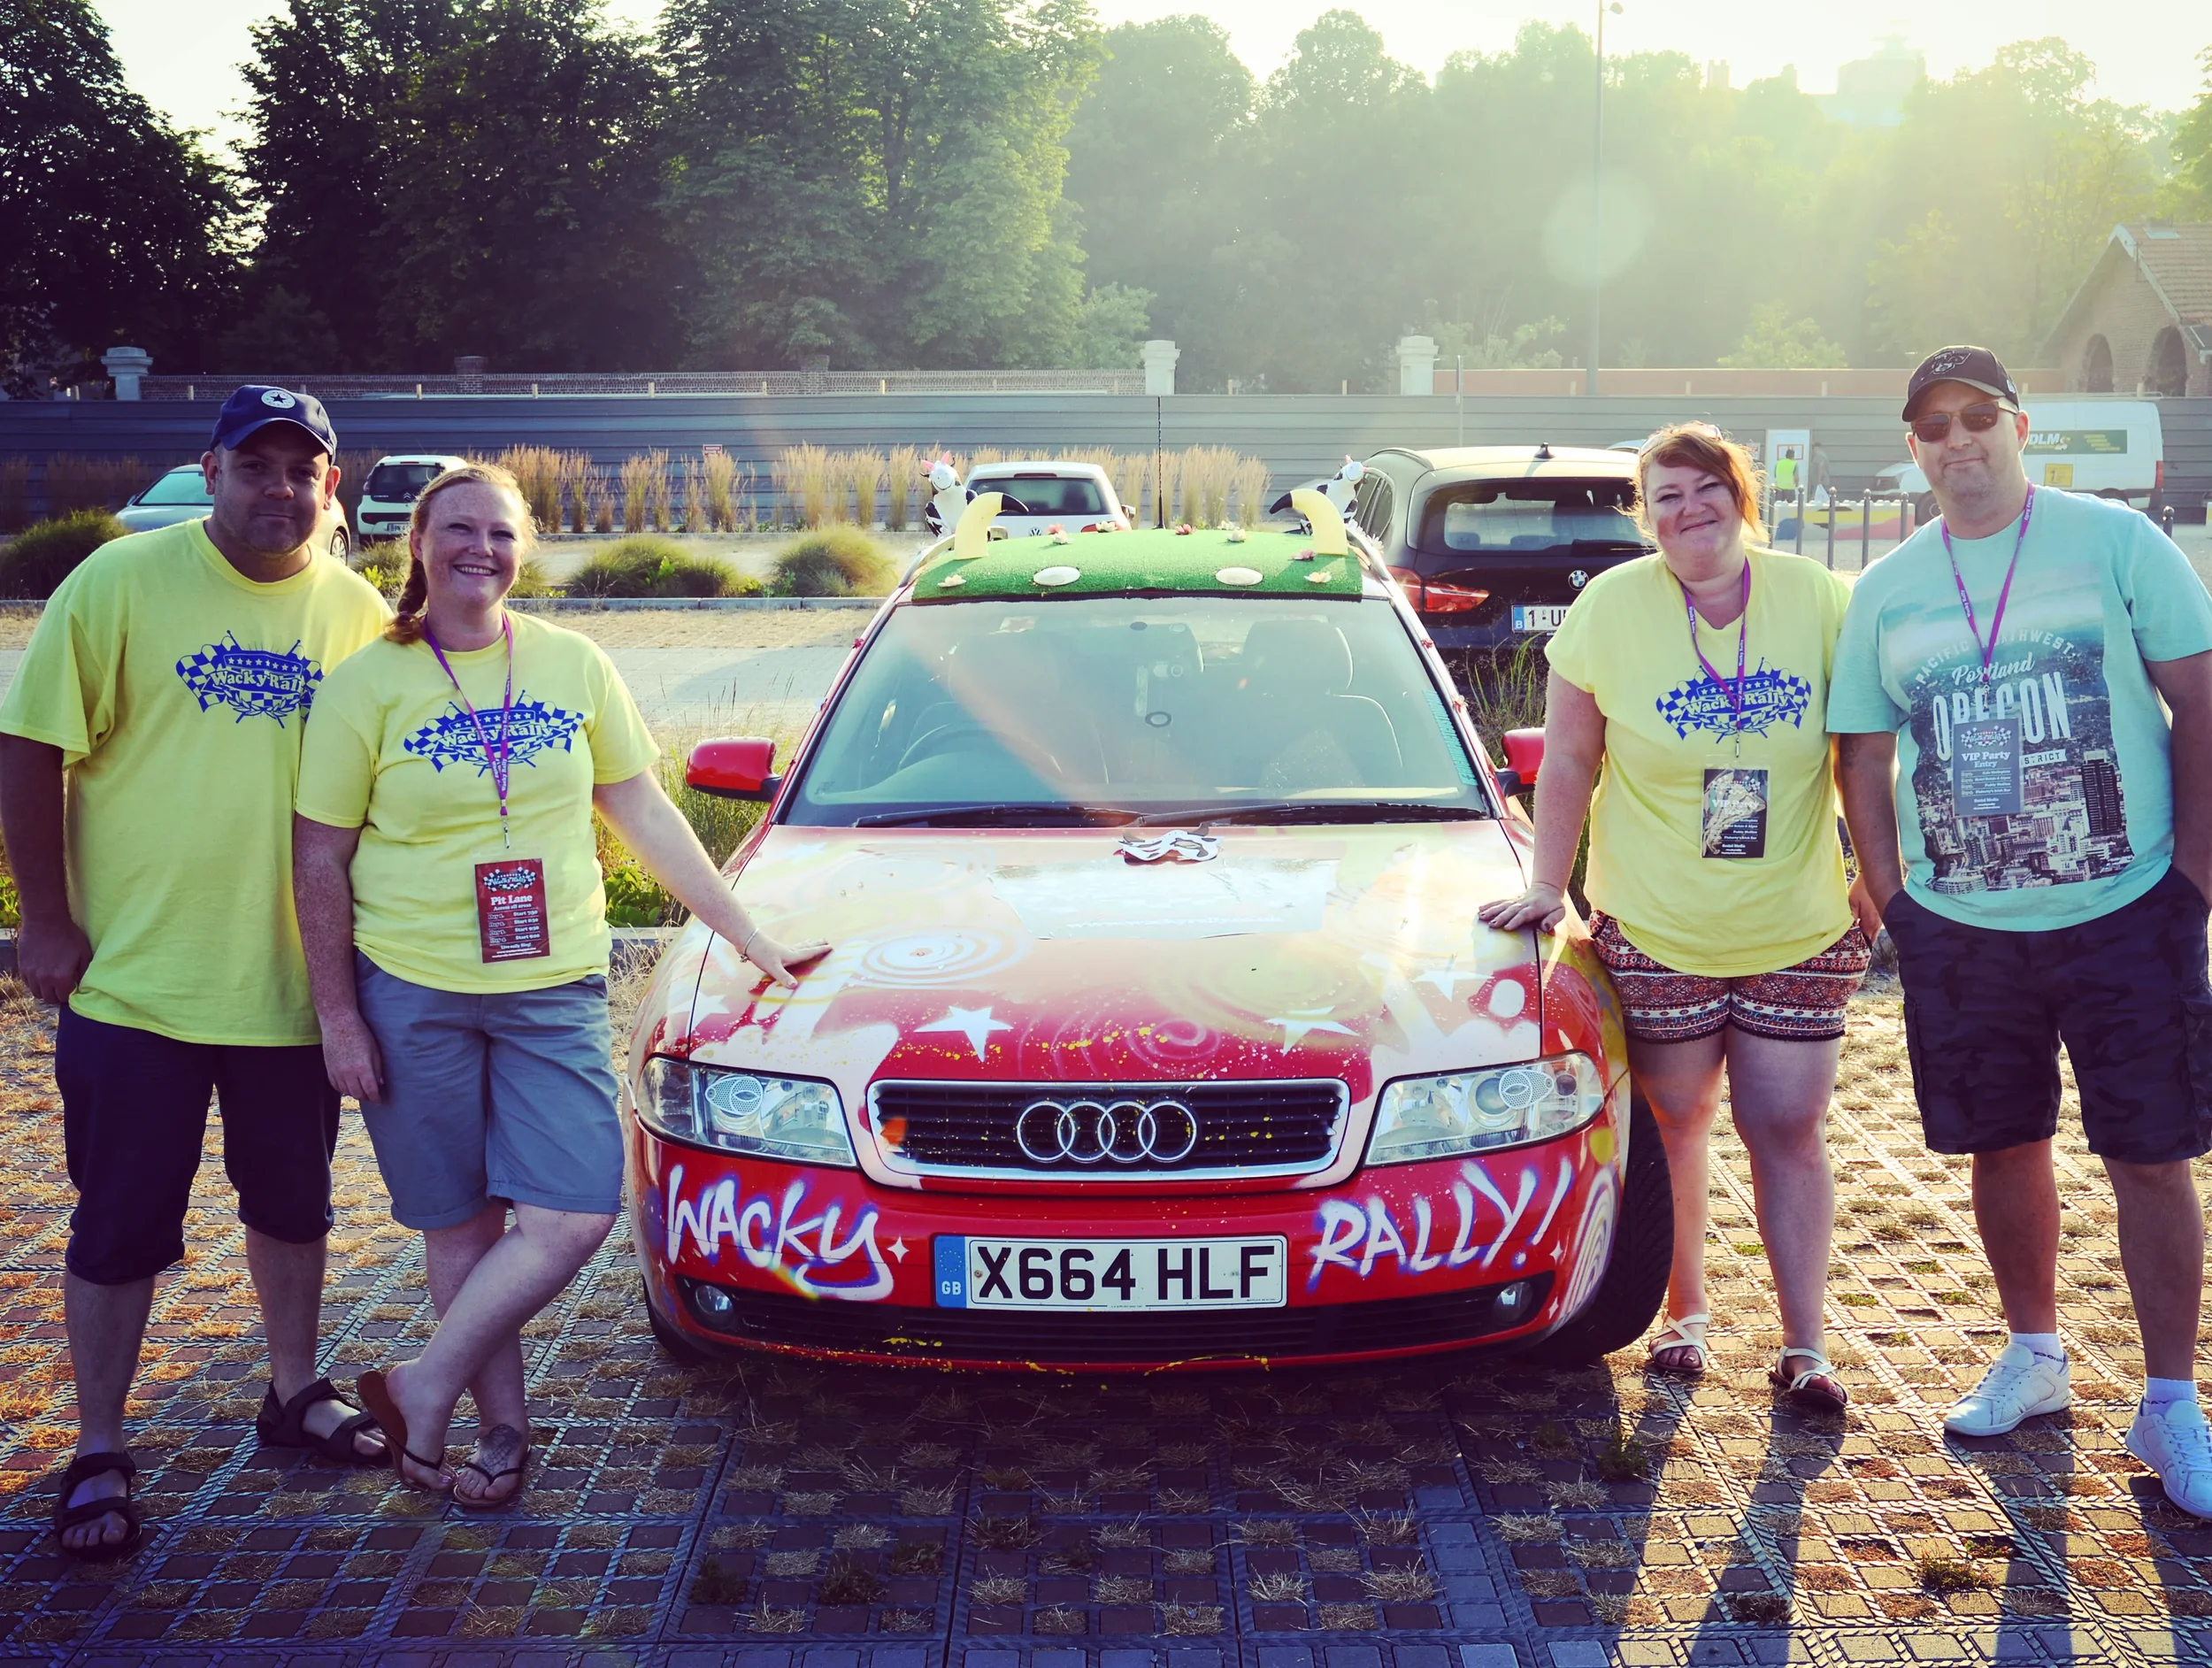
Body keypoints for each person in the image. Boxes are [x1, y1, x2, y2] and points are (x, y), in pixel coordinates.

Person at [291, 463, 829, 1506]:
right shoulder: (368, 683)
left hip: (552, 984)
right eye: (456, 529)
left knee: (576, 1210)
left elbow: (644, 812)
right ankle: (498, 1433)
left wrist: (746, 933)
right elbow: (318, 857)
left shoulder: (573, 665)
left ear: (522, 547)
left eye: (498, 531)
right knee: (460, 1226)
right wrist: (338, 1016)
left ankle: (420, 1381)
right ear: (418, 543)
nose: (477, 549)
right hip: (413, 986)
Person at [0, 387, 391, 1557]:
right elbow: (29, 746)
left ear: (331, 488)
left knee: (295, 1207)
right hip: (138, 986)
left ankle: (292, 1391)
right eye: (256, 465)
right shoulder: (120, 583)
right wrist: (48, 920)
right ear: (210, 471)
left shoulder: (358, 610)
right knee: (121, 1223)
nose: (281, 489)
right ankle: (100, 1447)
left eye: (302, 472)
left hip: (291, 990)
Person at [1831, 347, 2212, 1510]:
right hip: (1963, 930)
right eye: (1934, 424)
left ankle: (2171, 1407)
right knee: (2005, 1145)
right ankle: (2036, 1358)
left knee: (2150, 1154)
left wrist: (2194, 868)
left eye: (1978, 417)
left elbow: (2199, 697)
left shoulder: (2114, 542)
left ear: (2017, 425)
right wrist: (1890, 888)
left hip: (2127, 909)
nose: (1959, 440)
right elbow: (1861, 745)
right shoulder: (1890, 587)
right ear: (1914, 445)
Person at [1481, 422, 1871, 1410]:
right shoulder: (1611, 607)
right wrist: (1547, 880)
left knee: (1787, 1126)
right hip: (1655, 925)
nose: (1687, 510)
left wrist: (1879, 886)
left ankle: (1805, 1346)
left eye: (1704, 488)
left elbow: (1866, 755)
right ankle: (1684, 1318)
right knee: (1676, 1121)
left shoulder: (1821, 597)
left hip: (1796, 918)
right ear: (1642, 514)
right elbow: (1568, 759)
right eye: (1665, 497)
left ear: (1740, 493)